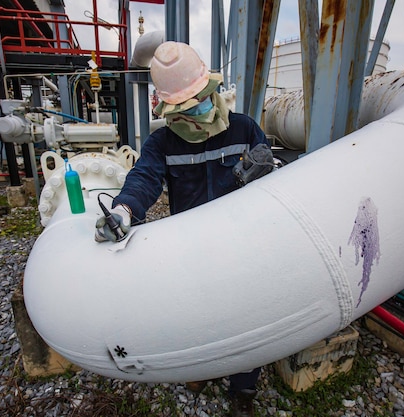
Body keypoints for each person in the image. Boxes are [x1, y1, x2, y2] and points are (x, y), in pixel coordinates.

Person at [95, 41, 271, 417]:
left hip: (242, 245)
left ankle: (243, 387)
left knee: (245, 314)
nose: (193, 117)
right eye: (182, 110)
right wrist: (123, 211)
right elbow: (145, 178)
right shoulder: (162, 142)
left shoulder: (244, 129)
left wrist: (265, 168)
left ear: (212, 91)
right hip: (192, 250)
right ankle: (203, 368)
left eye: (199, 104)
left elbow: (269, 179)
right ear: (167, 109)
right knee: (200, 313)